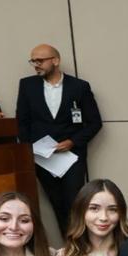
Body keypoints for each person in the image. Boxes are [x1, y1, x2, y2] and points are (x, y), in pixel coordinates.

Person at [14, 43, 102, 233]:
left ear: (55, 60)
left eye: (40, 60)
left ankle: (81, 243)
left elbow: (94, 123)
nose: (36, 65)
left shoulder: (79, 86)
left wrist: (72, 142)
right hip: (42, 158)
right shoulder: (27, 85)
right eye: (33, 61)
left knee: (75, 203)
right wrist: (30, 149)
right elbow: (22, 122)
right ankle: (68, 245)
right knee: (57, 204)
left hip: (71, 157)